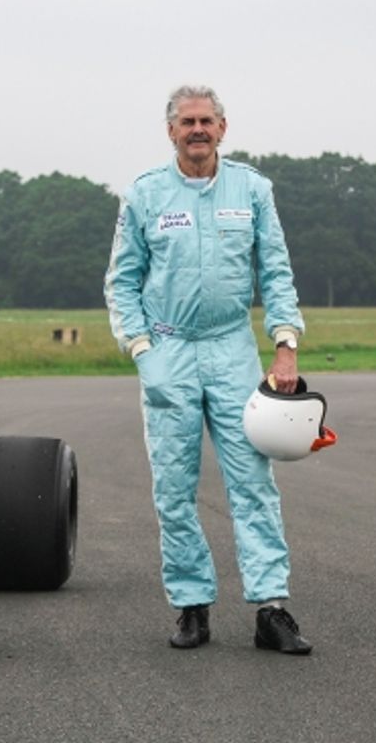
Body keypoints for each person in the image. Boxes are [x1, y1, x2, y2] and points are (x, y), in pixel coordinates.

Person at [104, 85, 312, 655]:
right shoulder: (144, 195)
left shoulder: (253, 189)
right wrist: (142, 349)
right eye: (187, 121)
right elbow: (121, 281)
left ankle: (271, 609)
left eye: (207, 121)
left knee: (252, 482)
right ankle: (192, 606)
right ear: (170, 131)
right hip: (168, 347)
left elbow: (276, 271)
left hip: (231, 348)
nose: (198, 130)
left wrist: (286, 345)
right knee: (174, 487)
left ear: (224, 128)